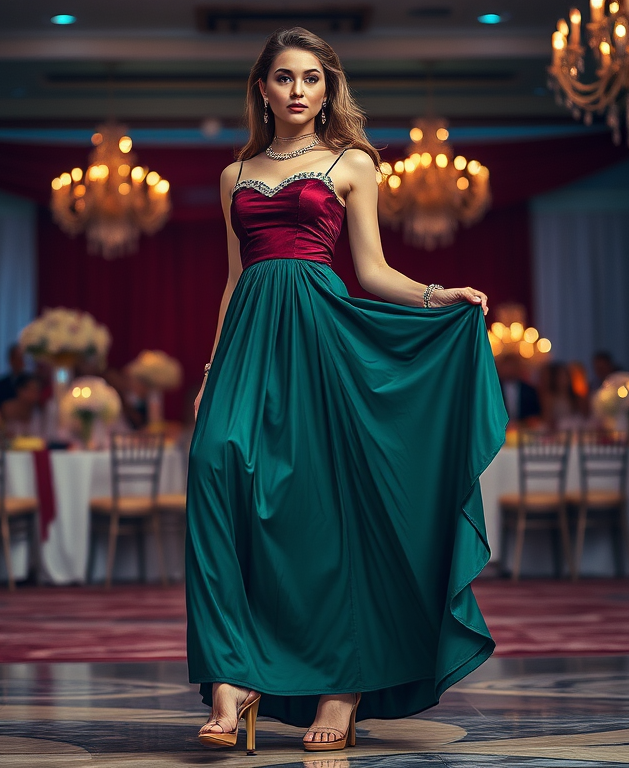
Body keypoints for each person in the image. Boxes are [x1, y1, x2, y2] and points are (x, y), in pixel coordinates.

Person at [187, 28, 506, 754]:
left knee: (322, 511)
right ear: (261, 89)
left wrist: (437, 294)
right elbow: (235, 281)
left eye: (311, 78)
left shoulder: (352, 162)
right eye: (283, 78)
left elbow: (372, 271)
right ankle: (229, 678)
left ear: (327, 89)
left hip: (323, 339)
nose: (297, 90)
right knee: (213, 473)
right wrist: (211, 373)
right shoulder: (235, 175)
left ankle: (342, 683)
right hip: (247, 347)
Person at [539, 361, 589, 430]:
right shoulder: (550, 398)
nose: (563, 380)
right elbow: (546, 420)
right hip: (557, 433)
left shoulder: (574, 397)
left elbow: (584, 416)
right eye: (560, 377)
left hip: (573, 431)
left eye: (565, 376)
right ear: (555, 379)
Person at [496, 353, 541, 425]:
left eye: (513, 366)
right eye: (507, 366)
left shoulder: (529, 390)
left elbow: (535, 414)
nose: (510, 369)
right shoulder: (494, 390)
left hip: (525, 429)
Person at [0, 373, 47, 437]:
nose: (35, 394)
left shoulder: (40, 412)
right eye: (31, 390)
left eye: (37, 390)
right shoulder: (6, 409)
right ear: (19, 390)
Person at [0, 344, 26, 409]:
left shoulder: (31, 385)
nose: (21, 361)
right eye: (17, 358)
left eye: (22, 358)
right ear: (10, 360)